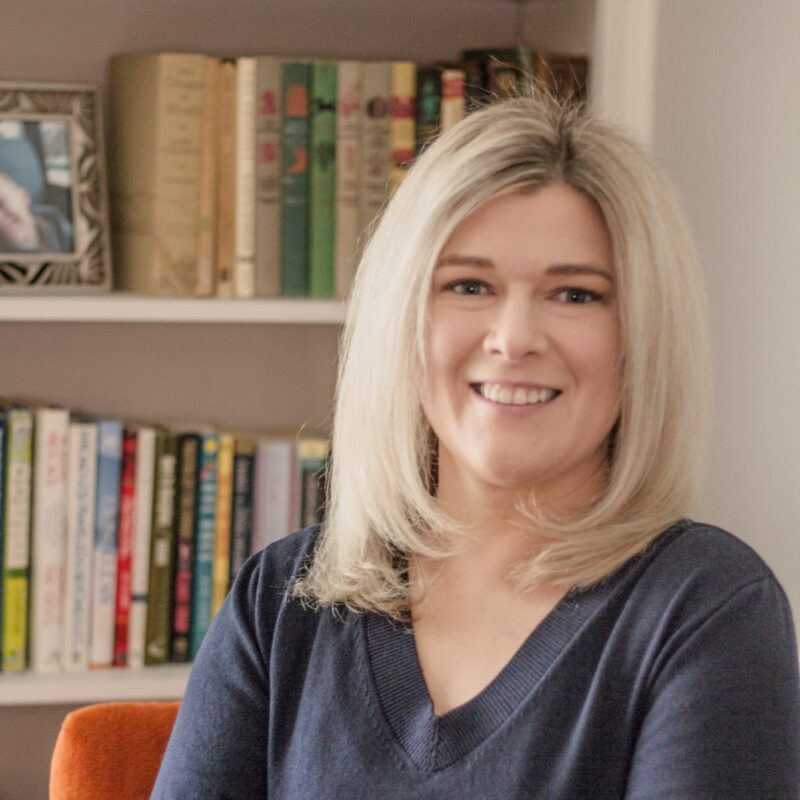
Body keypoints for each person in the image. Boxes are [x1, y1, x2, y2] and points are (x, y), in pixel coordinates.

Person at [151, 91, 800, 799]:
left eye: (576, 295)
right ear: (401, 321)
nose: (515, 337)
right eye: (468, 285)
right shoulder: (279, 602)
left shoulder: (707, 606)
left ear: (643, 337)